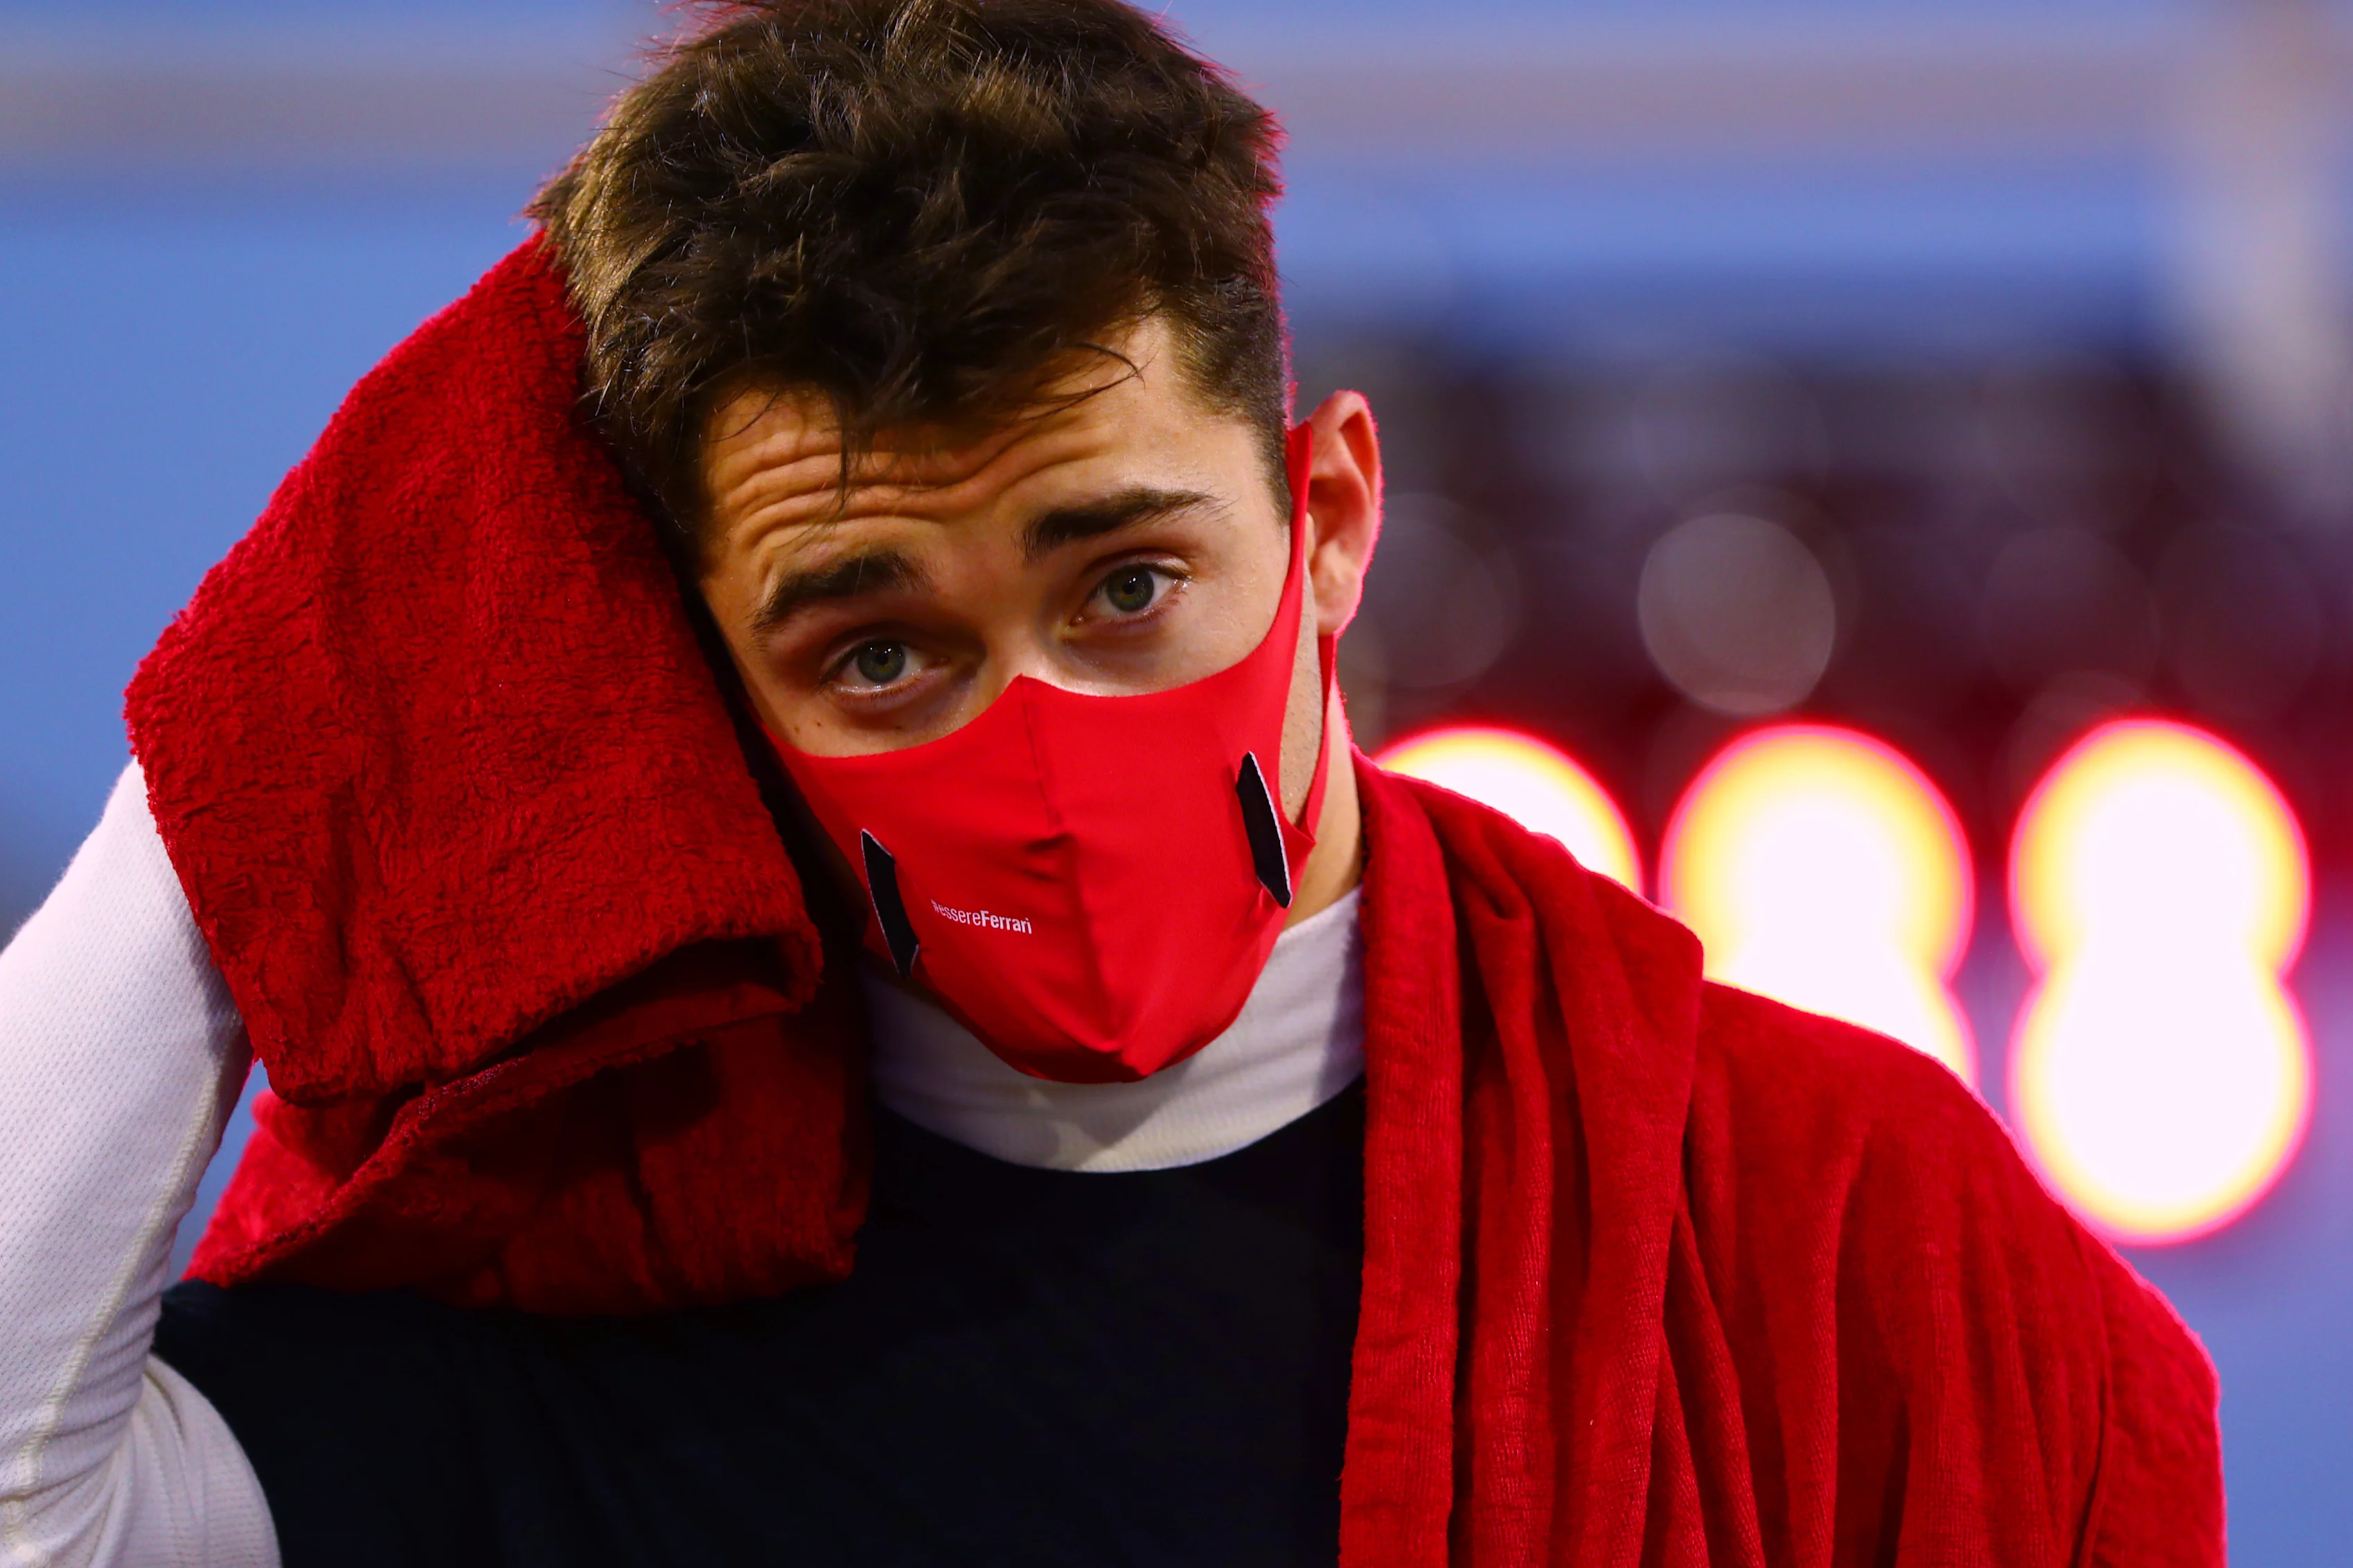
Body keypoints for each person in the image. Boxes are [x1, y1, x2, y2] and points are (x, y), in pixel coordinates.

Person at [0, 1, 2223, 1565]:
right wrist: (293, 671)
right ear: (706, 686)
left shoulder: (1849, 1249)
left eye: (1129, 582)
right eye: (881, 648)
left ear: (1328, 519)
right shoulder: (569, 1309)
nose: (1045, 737)